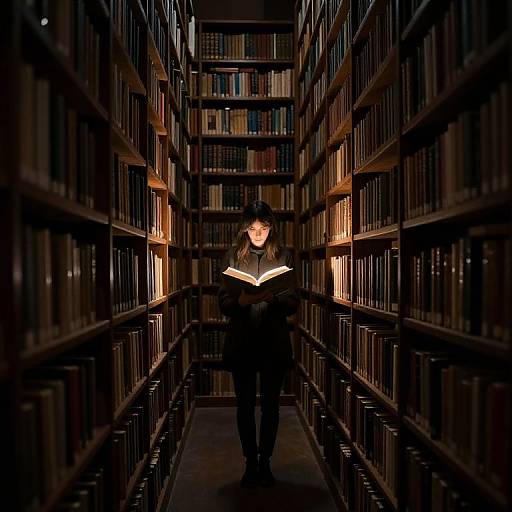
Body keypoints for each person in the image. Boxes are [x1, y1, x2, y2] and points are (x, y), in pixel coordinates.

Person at [217, 200, 299, 488]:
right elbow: (222, 302)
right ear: (245, 229)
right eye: (252, 229)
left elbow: (294, 302)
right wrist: (240, 301)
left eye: (263, 229)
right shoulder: (232, 256)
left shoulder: (283, 255)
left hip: (272, 342)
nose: (258, 234)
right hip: (243, 341)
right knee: (244, 405)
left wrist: (272, 297)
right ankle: (250, 462)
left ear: (271, 227)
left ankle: (266, 462)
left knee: (271, 407)